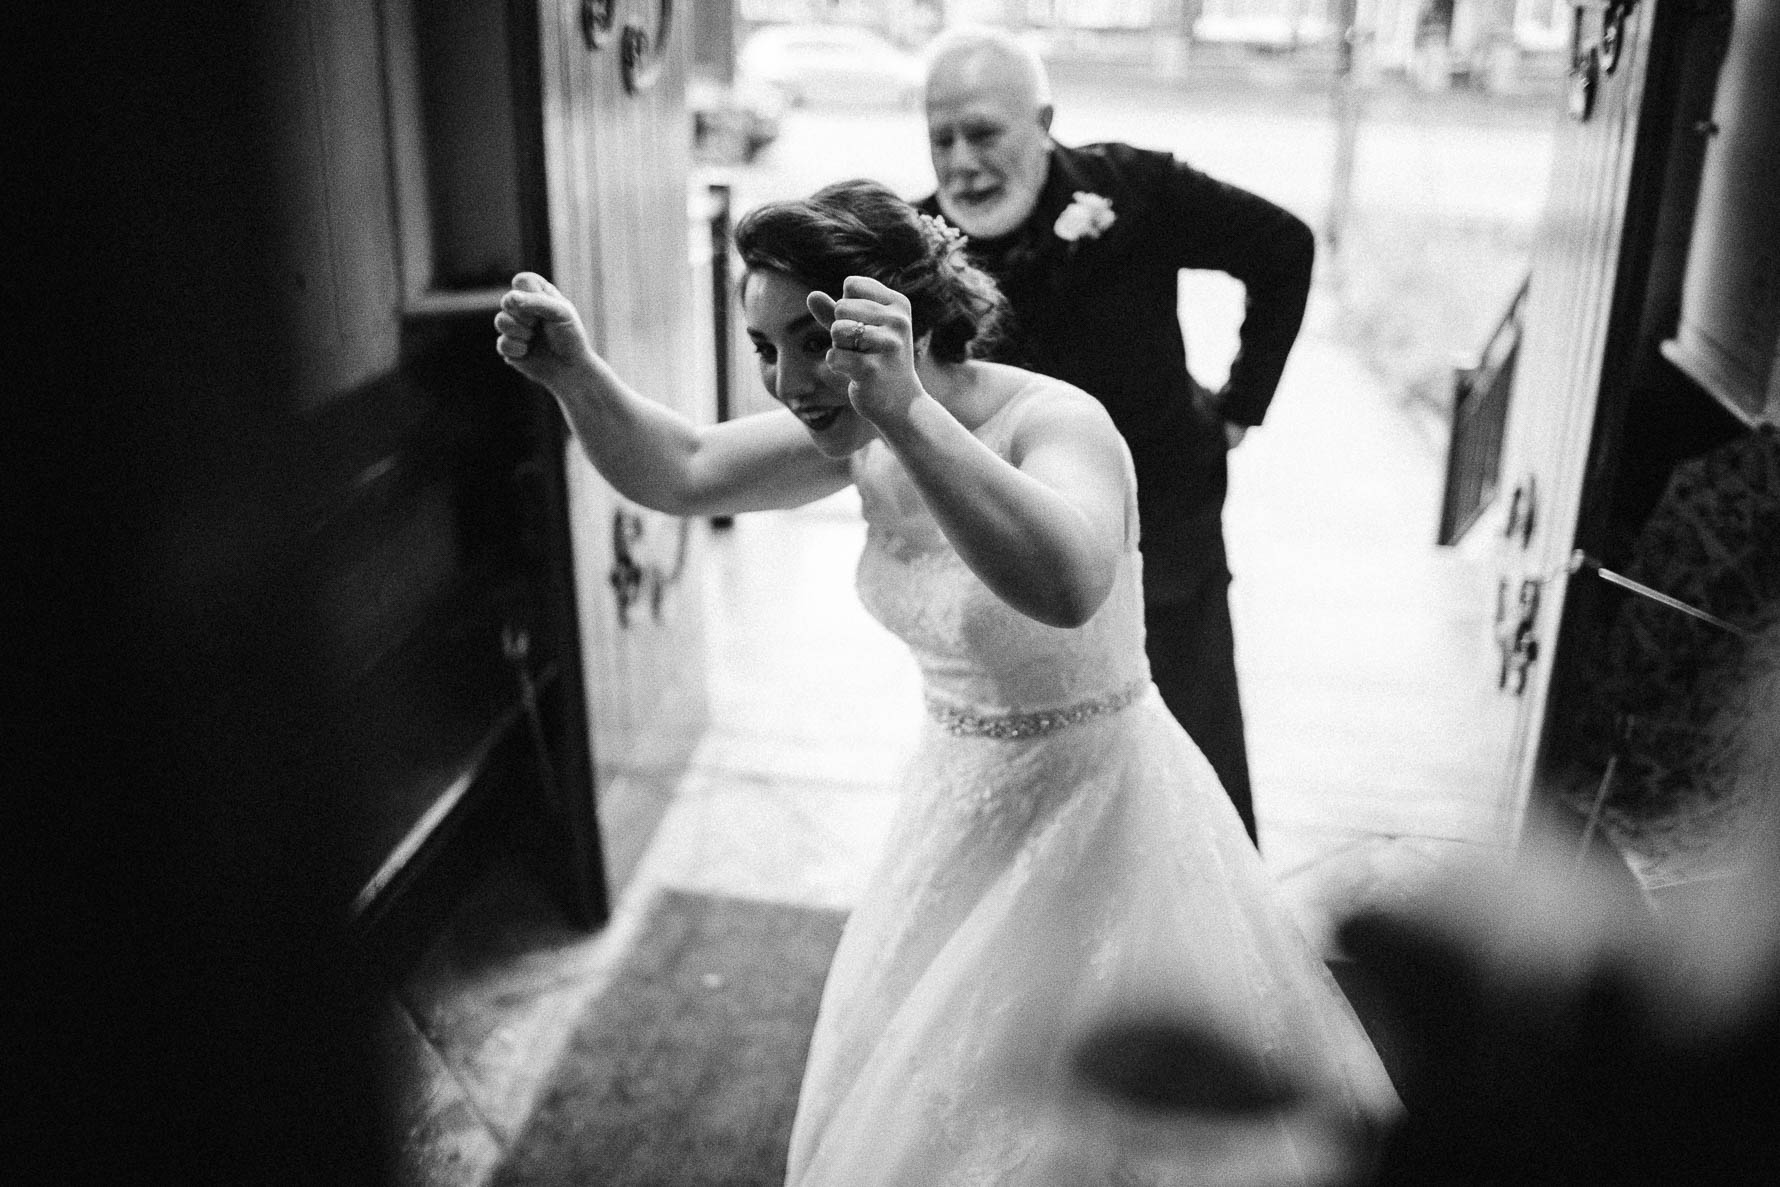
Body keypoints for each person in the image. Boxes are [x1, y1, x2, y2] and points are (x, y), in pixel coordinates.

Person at [494, 179, 1397, 1184]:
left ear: (898, 321)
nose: (788, 379)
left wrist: (907, 412)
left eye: (812, 338)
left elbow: (1067, 582)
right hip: (956, 805)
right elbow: (689, 467)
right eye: (764, 347)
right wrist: (574, 373)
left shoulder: (1055, 422)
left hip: (1104, 812)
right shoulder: (857, 435)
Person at [917, 27, 1318, 847]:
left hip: (1161, 532)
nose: (961, 161)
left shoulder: (1133, 190)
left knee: (1192, 752)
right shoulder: (917, 244)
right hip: (1016, 560)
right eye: (941, 138)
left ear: (1044, 120)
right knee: (1047, 783)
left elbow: (1284, 247)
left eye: (984, 132)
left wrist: (1242, 404)